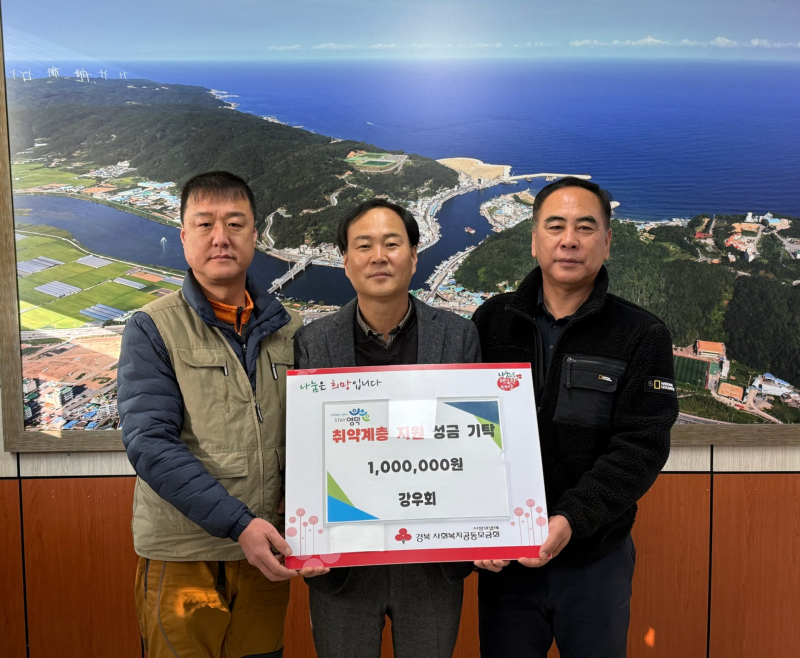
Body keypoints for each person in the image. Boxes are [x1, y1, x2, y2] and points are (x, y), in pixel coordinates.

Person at [118, 171, 326, 658]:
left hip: (265, 551)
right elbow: (150, 443)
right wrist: (239, 524)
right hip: (184, 552)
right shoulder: (152, 327)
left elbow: (314, 434)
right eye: (205, 223)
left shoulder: (291, 328)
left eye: (235, 224)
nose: (221, 237)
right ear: (183, 235)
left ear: (255, 235)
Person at [472, 177, 678, 658]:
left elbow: (642, 446)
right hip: (507, 560)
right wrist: (475, 525)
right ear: (534, 239)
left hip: (594, 560)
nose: (569, 240)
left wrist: (570, 518)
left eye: (585, 228)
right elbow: (465, 432)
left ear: (607, 241)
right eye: (555, 226)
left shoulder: (641, 334)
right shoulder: (491, 321)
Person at [294, 198, 479, 658]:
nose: (379, 256)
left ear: (414, 256)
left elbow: (476, 450)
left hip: (432, 563)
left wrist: (490, 527)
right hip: (342, 565)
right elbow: (303, 449)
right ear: (345, 261)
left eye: (392, 244)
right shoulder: (314, 342)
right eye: (364, 245)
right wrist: (302, 537)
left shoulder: (458, 336)